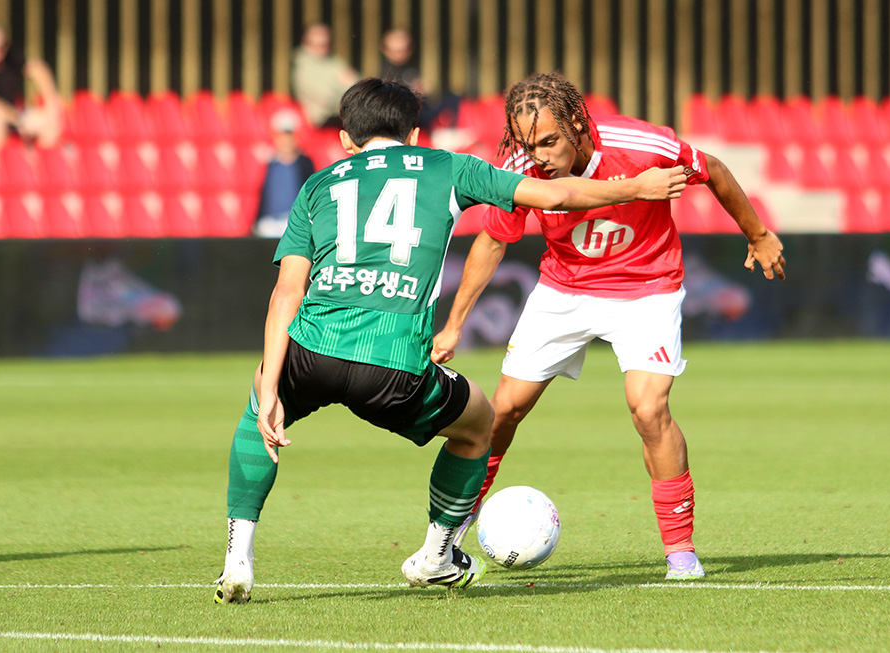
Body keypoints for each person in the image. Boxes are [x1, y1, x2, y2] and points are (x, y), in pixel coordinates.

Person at [213, 77, 689, 604]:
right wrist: (634, 188)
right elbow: (555, 194)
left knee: (258, 406)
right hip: (392, 366)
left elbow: (285, 295)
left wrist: (272, 384)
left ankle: (238, 559)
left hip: (310, 350)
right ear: (415, 134)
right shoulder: (448, 167)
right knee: (480, 423)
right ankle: (436, 557)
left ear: (347, 139)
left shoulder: (318, 186)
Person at [434, 72, 786, 580]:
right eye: (529, 144)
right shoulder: (518, 165)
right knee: (503, 410)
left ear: (578, 122)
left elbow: (710, 168)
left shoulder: (642, 143)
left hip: (647, 287)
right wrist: (454, 325)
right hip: (564, 289)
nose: (540, 156)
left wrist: (758, 233)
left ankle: (681, 555)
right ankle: (452, 532)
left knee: (649, 408)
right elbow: (493, 241)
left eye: (550, 141)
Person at [0, 25, 63, 153]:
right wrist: (16, 118)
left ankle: (41, 166)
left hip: (13, 114)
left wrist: (51, 103)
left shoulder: (11, 59)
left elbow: (38, 69)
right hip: (3, 115)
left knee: (49, 126)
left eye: (2, 47)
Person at [253, 109, 316, 238]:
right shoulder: (269, 163)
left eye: (289, 136)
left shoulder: (305, 163)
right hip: (269, 223)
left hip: (294, 221)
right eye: (282, 136)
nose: (286, 141)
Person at [379, 28, 459, 128]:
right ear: (385, 50)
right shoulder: (383, 72)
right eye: (396, 50)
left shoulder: (411, 68)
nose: (400, 54)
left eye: (404, 50)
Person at [291, 23, 358, 129]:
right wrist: (345, 89)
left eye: (326, 44)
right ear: (305, 44)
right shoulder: (302, 66)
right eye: (317, 44)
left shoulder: (335, 62)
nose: (323, 48)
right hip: (320, 122)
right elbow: (325, 98)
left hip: (340, 116)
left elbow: (358, 86)